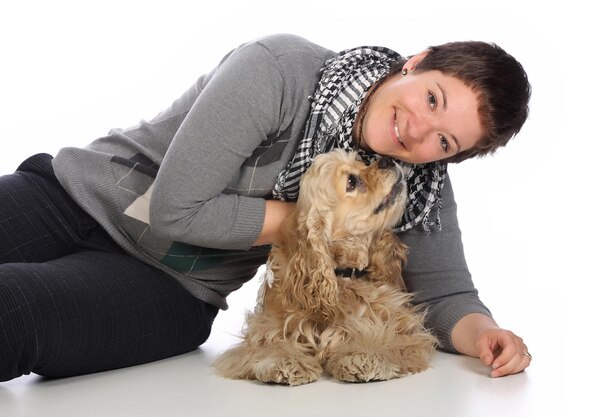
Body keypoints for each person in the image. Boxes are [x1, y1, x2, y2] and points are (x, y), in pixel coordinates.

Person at [0, 33, 531, 382]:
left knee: (14, 314)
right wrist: (315, 224)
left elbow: (444, 291)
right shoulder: (279, 72)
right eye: (432, 99)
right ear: (415, 63)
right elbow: (176, 210)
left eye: (445, 143)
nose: (418, 132)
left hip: (168, 286)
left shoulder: (411, 182)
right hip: (71, 199)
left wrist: (485, 334)